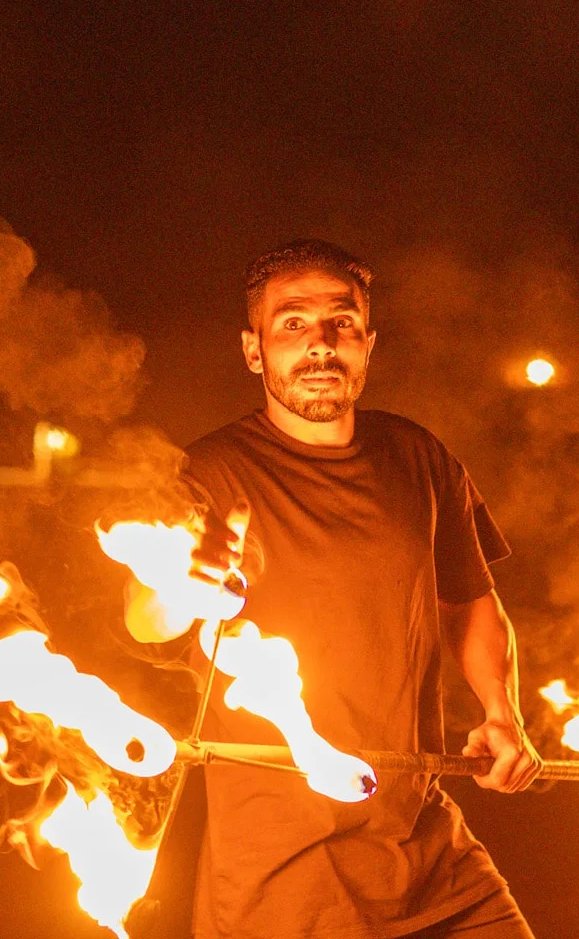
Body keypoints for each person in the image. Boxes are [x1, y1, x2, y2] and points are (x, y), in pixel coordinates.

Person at [175, 239, 541, 939]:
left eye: (340, 323)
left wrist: (501, 710)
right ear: (253, 350)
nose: (320, 344)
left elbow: (468, 599)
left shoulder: (418, 455)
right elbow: (147, 619)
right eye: (292, 323)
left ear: (368, 344)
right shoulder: (211, 471)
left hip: (428, 846)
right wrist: (180, 582)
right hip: (287, 872)